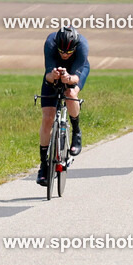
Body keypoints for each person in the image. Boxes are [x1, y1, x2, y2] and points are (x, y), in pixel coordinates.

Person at [38, 25, 90, 187]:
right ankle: (44, 165)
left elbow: (75, 78)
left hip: (75, 71)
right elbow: (48, 76)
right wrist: (53, 76)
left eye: (68, 52)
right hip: (54, 71)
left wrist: (68, 78)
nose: (65, 55)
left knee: (71, 94)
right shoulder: (51, 44)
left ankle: (76, 131)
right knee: (47, 118)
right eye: (62, 51)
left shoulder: (82, 46)